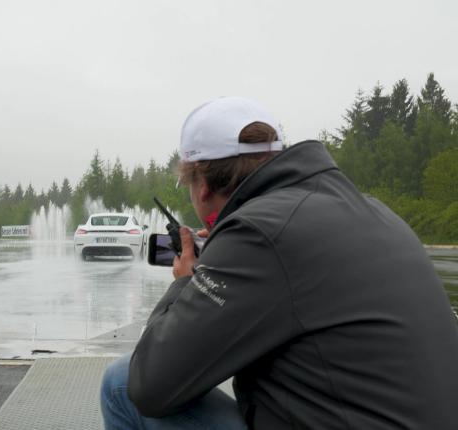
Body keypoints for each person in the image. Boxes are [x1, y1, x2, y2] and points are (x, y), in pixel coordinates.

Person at [100, 96, 458, 429]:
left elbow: (149, 385)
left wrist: (185, 284)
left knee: (120, 385)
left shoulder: (258, 233)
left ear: (203, 184)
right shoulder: (373, 210)